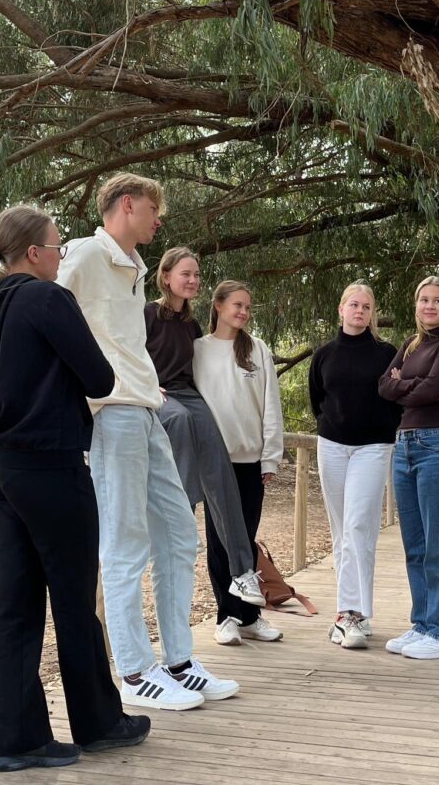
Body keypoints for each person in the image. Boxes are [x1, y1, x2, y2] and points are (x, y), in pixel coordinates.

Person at [0, 205, 149, 773]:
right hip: (51, 465)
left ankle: (14, 739)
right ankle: (99, 722)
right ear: (34, 253)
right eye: (58, 246)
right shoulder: (46, 298)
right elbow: (100, 378)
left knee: (13, 603)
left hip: (3, 465)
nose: (62, 255)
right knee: (73, 598)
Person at [57, 174, 238, 713]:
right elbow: (47, 314)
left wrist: (143, 384)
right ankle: (135, 671)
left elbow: (123, 341)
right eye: (154, 210)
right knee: (125, 540)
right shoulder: (86, 254)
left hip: (145, 407)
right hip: (110, 412)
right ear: (127, 204)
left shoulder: (133, 266)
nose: (159, 221)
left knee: (180, 531)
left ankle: (178, 661)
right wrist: (84, 387)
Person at [144, 249, 265, 611]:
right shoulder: (146, 314)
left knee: (219, 465)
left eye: (196, 275)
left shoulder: (192, 326)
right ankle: (182, 521)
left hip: (186, 394)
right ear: (166, 276)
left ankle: (242, 570)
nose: (193, 280)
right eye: (186, 274)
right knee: (180, 420)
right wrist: (145, 384)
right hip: (156, 393)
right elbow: (127, 354)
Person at [378, 276, 439, 660]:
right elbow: (384, 386)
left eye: (437, 300)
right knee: (414, 545)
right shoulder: (411, 344)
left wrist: (407, 383)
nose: (429, 306)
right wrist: (414, 385)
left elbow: (432, 390)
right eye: (423, 300)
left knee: (438, 543)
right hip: (405, 447)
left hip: (438, 447)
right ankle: (422, 625)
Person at [308, 281, 402, 648]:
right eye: (354, 305)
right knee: (341, 530)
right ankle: (349, 613)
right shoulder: (324, 355)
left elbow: (396, 398)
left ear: (372, 313)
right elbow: (317, 399)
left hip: (373, 447)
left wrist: (384, 431)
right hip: (332, 446)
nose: (359, 311)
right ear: (341, 309)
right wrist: (329, 426)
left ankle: (351, 614)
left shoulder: (386, 353)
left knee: (359, 525)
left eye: (366, 306)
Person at [193, 280, 285, 646]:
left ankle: (249, 617)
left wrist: (270, 457)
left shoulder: (257, 349)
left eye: (248, 307)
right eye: (237, 305)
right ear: (218, 305)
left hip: (251, 460)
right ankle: (227, 617)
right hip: (215, 461)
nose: (244, 312)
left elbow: (271, 404)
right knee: (220, 542)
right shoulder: (198, 349)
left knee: (245, 537)